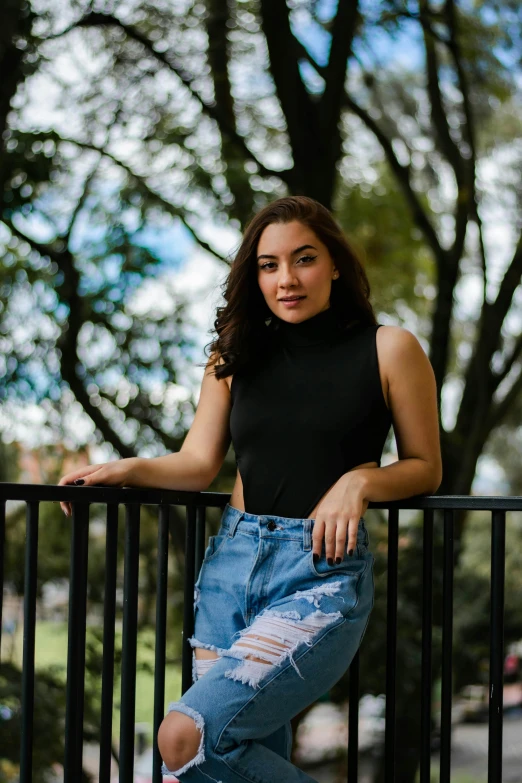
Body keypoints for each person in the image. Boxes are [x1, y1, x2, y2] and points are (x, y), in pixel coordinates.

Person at [58, 196, 443, 781]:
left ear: (335, 264)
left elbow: (425, 466)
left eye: (304, 259)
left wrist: (359, 480)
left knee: (187, 742)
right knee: (232, 757)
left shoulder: (389, 348)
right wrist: (126, 469)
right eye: (269, 265)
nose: (286, 279)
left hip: (319, 576)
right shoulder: (233, 355)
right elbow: (196, 463)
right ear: (254, 275)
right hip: (229, 572)